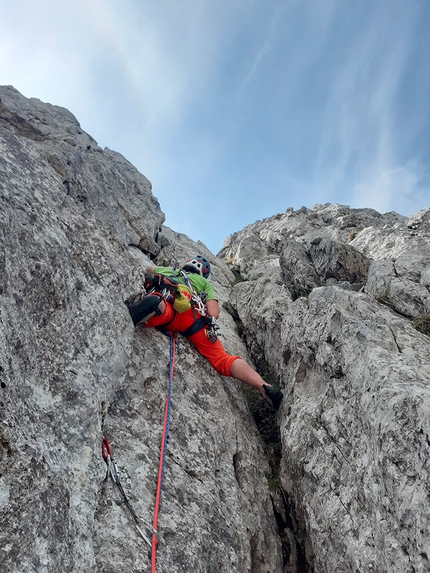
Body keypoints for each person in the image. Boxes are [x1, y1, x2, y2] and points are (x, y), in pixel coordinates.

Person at [127, 255, 283, 410]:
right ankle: (263, 385)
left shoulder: (171, 271)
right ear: (203, 273)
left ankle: (157, 307)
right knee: (223, 360)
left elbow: (148, 270)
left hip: (172, 300)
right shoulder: (204, 283)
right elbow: (213, 312)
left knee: (164, 308)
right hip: (195, 320)